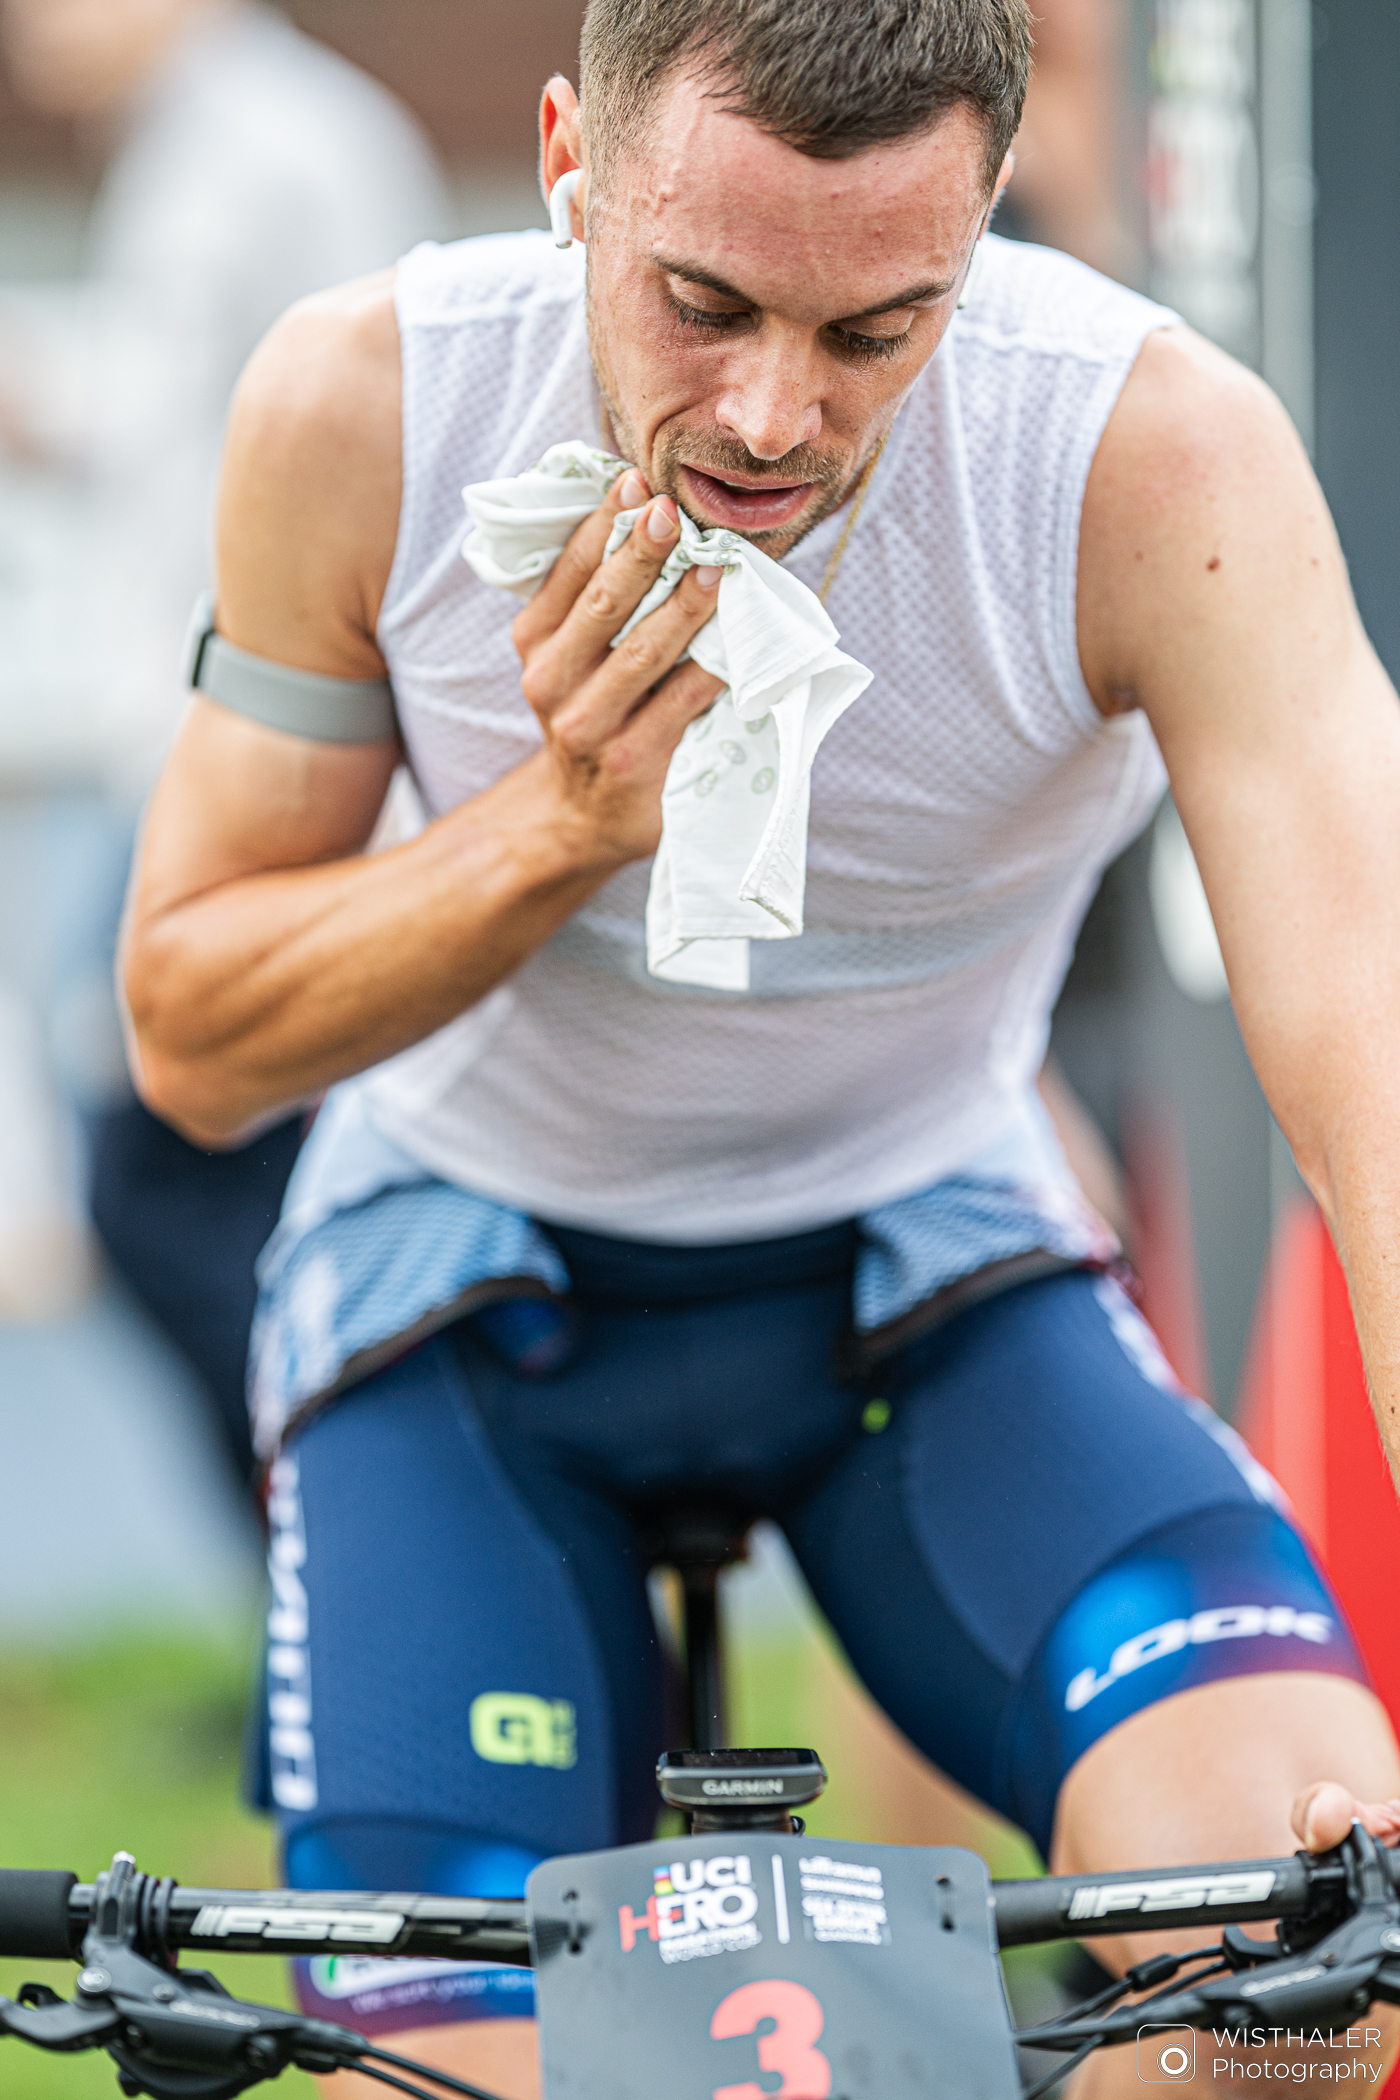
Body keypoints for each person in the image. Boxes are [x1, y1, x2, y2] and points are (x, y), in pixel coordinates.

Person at [120, 0, 1400, 2093]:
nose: (772, 415)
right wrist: (561, 824)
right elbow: (190, 1038)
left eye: (879, 330)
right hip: (465, 1281)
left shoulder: (1148, 452)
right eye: (700, 302)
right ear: (568, 161)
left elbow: (1377, 1064)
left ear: (984, 220)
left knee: (1307, 1996)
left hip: (930, 1257)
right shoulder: (369, 399)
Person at [0, 0, 448, 1482]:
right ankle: (330, 1520)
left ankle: (351, 1495)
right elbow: (167, 430)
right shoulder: (178, 149)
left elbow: (375, 438)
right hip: (169, 733)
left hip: (262, 739)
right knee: (179, 1167)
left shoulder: (292, 144)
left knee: (161, 1164)